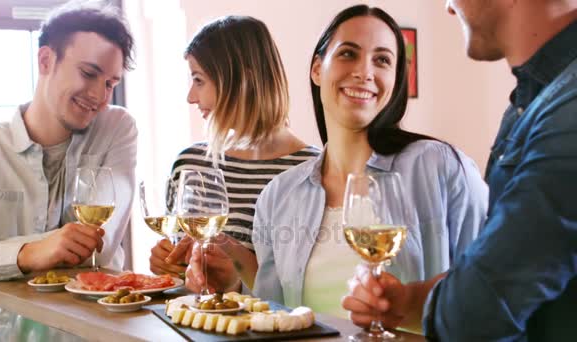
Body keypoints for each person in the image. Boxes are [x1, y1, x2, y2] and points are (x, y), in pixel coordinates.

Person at [185, 4, 488, 319]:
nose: (364, 72)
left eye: (382, 60)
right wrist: (233, 284)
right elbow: (275, 316)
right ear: (317, 68)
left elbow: (490, 289)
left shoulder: (440, 167)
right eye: (348, 54)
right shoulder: (278, 196)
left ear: (396, 78)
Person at [343, 0, 577, 340]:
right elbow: (506, 270)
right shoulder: (531, 103)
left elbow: (480, 307)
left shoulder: (567, 111)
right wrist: (407, 301)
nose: (449, 8)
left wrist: (440, 305)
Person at [0, 0, 137, 281]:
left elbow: (99, 245)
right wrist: (27, 253)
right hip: (3, 325)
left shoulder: (117, 127)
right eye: (88, 73)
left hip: (91, 322)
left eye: (110, 84)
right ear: (46, 60)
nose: (99, 95)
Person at [148, 16, 319, 288]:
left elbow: (307, 290)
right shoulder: (190, 163)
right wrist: (168, 265)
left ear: (244, 80)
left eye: (199, 80)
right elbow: (184, 273)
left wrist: (239, 282)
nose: (191, 97)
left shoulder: (312, 170)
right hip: (190, 327)